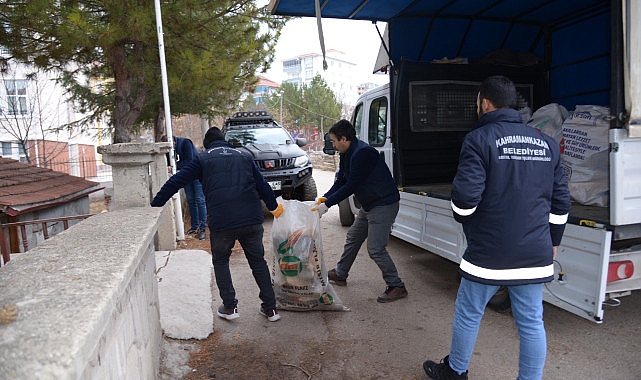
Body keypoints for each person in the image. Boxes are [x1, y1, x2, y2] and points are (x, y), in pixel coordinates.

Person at [422, 76, 571, 380]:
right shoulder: (547, 143)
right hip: (535, 252)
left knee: (468, 311)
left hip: (488, 254)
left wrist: (466, 219)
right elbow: (561, 204)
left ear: (485, 103)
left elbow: (464, 202)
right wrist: (553, 241)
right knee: (531, 322)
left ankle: (456, 372)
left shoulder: (479, 140)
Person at [152, 127, 284, 322]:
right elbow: (262, 184)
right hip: (251, 218)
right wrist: (274, 207)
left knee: (221, 261)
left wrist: (155, 205)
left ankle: (230, 307)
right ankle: (271, 309)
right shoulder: (244, 156)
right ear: (225, 141)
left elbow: (175, 181)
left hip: (222, 222)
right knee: (257, 261)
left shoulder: (202, 159)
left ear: (207, 145)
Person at [312, 119, 407, 303]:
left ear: (344, 139)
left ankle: (397, 286)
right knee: (353, 237)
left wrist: (328, 205)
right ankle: (340, 273)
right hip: (369, 204)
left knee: (375, 249)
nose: (333, 145)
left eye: (334, 141)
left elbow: (351, 185)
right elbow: (340, 181)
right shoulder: (346, 153)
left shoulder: (363, 154)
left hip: (383, 204)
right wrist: (324, 198)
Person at [162, 135, 208, 240]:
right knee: (191, 200)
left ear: (173, 142)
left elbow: (189, 160)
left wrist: (174, 166)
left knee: (199, 200)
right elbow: (169, 161)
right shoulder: (170, 150)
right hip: (186, 176)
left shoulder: (185, 143)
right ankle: (195, 226)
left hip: (196, 174)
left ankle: (202, 229)